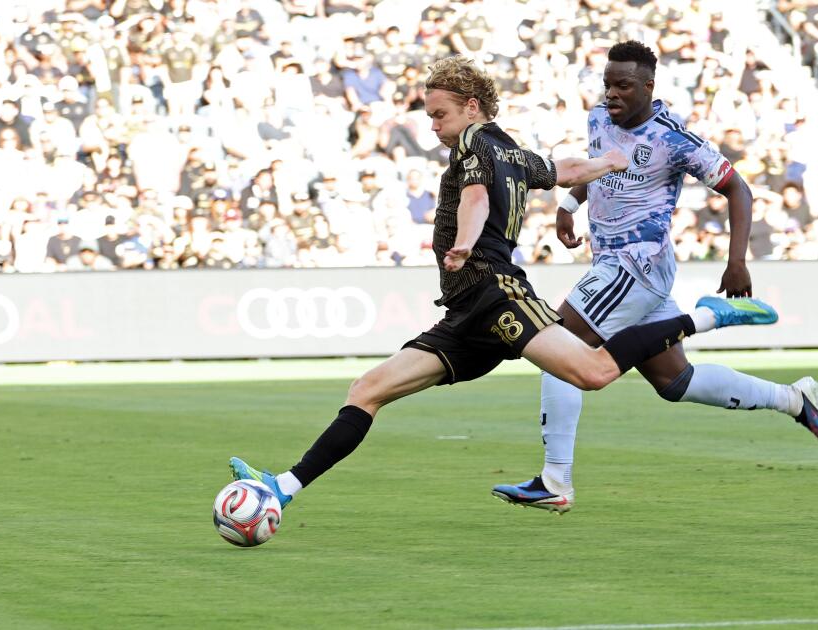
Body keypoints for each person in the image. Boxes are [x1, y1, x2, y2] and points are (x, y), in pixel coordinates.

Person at [227, 56, 773, 510]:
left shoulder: (472, 143)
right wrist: (600, 166)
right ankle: (282, 489)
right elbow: (559, 170)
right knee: (367, 391)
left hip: (495, 292)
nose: (433, 126)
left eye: (438, 114)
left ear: (470, 107)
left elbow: (475, 198)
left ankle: (707, 316)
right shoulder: (510, 150)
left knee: (593, 371)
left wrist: (464, 242)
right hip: (466, 312)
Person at [492, 41, 818, 513]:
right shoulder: (599, 118)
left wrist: (737, 261)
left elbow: (738, 188)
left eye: (623, 85)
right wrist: (571, 204)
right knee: (676, 381)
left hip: (635, 264)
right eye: (607, 83)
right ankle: (795, 399)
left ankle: (555, 479)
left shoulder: (673, 139)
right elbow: (601, 169)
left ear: (649, 87)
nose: (611, 93)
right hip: (616, 264)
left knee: (559, 345)